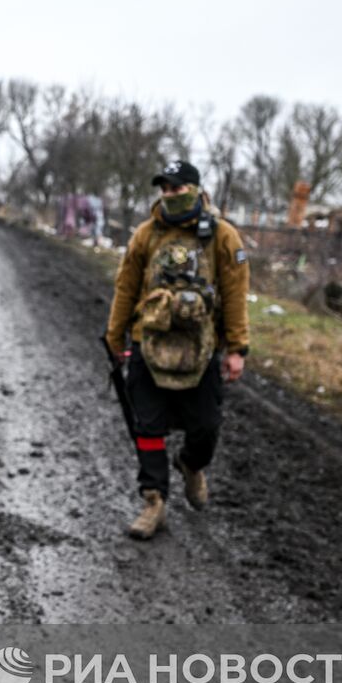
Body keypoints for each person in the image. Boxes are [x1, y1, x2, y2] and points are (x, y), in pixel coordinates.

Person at [103, 159, 249, 539]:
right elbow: (126, 288)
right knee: (147, 425)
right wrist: (115, 337)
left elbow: (235, 296)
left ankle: (190, 464)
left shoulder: (223, 237)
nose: (169, 195)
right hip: (147, 346)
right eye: (164, 188)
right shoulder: (145, 235)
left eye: (177, 188)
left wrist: (237, 348)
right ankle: (154, 501)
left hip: (202, 351)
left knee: (206, 427)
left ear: (196, 190)